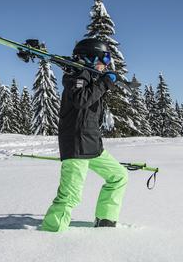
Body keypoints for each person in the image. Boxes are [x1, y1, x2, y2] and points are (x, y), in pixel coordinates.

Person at [40, 38, 129, 232]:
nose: (105, 64)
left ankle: (105, 221)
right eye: (104, 58)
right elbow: (82, 100)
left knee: (118, 176)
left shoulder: (90, 77)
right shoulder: (75, 75)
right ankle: (50, 233)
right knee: (70, 195)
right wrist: (105, 82)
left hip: (91, 144)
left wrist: (103, 81)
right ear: (91, 55)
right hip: (76, 143)